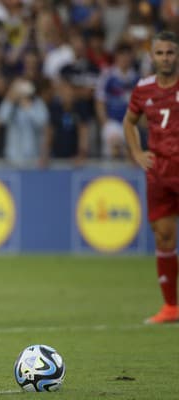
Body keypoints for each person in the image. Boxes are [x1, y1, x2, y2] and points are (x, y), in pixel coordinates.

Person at [123, 30, 179, 324]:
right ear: (151, 56)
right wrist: (137, 152)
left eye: (170, 52)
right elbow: (129, 122)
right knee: (164, 236)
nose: (165, 58)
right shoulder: (143, 88)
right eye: (160, 53)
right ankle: (171, 307)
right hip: (159, 171)